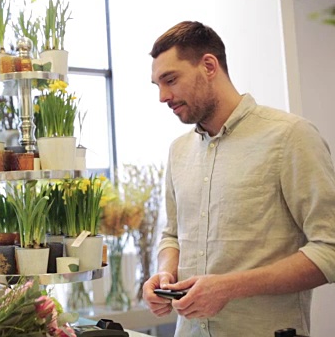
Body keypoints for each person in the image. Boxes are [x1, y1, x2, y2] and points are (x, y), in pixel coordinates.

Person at [142, 21, 335, 336]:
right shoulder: (178, 151)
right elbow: (172, 237)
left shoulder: (290, 136)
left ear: (209, 66)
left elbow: (330, 248)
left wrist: (228, 288)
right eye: (157, 85)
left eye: (171, 80)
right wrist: (164, 275)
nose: (164, 96)